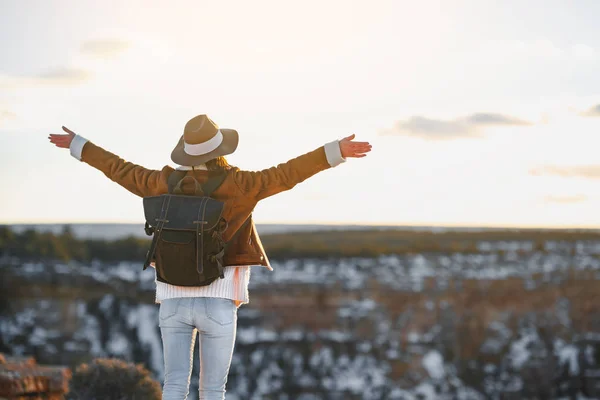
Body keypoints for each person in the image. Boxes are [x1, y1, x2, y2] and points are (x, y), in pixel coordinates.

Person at [48, 114, 372, 399]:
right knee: (213, 390)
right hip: (219, 301)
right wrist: (334, 152)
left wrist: (81, 145)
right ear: (220, 151)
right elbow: (287, 173)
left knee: (174, 384)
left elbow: (119, 169)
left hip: (172, 298)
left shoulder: (162, 182)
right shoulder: (241, 184)